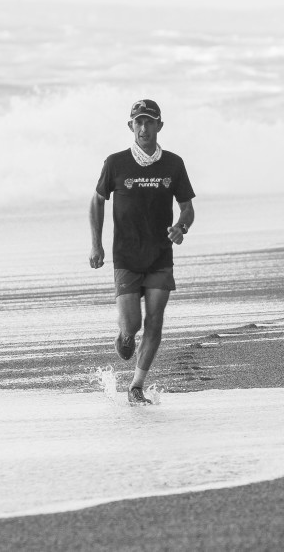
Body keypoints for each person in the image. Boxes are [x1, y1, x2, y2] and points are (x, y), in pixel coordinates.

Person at [89, 99, 195, 405]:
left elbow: (187, 208)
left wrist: (181, 227)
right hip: (126, 256)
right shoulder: (116, 163)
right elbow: (97, 201)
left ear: (160, 125)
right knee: (133, 325)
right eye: (138, 122)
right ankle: (124, 336)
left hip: (160, 256)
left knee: (155, 321)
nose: (144, 128)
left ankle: (136, 385)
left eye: (150, 122)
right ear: (130, 126)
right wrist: (96, 244)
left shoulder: (174, 164)